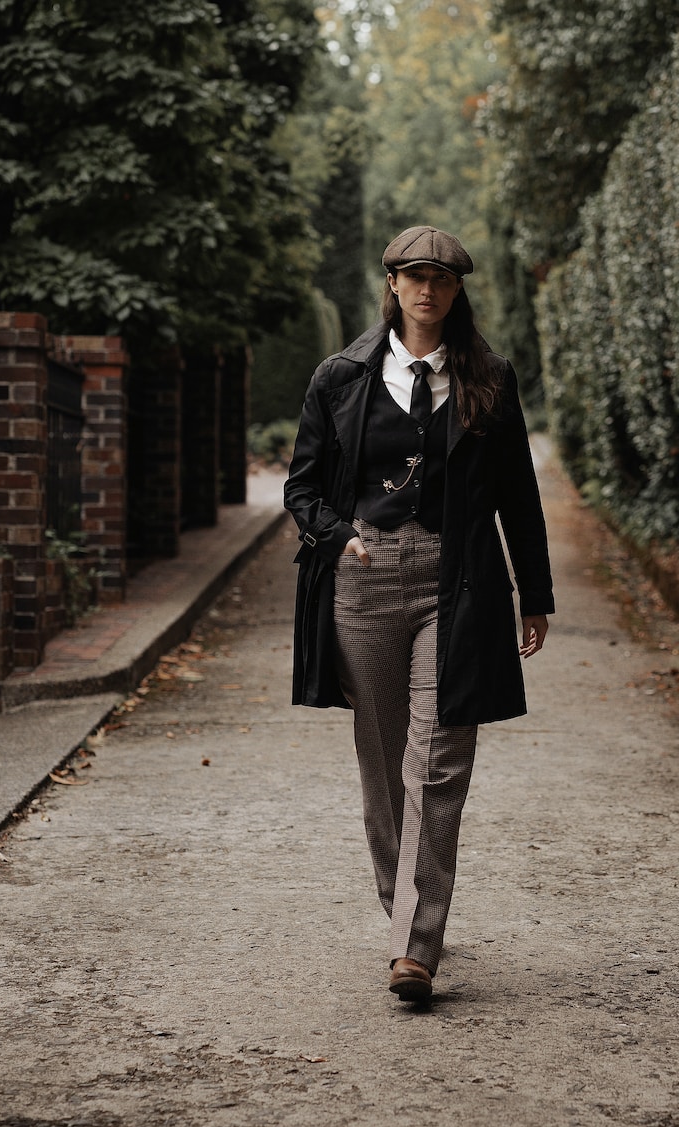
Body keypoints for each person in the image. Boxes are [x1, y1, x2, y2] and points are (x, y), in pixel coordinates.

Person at [284, 225, 554, 1002]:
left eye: (442, 277)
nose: (427, 288)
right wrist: (339, 540)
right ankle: (404, 905)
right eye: (414, 275)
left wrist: (534, 595)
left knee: (437, 760)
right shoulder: (340, 378)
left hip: (456, 581)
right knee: (383, 760)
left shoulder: (489, 379)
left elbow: (518, 498)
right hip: (363, 584)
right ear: (393, 284)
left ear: (457, 288)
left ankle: (414, 945)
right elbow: (301, 489)